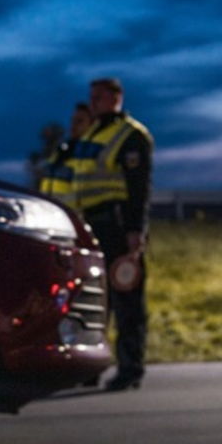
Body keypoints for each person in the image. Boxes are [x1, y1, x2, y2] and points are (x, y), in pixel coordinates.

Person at [71, 77, 153, 391]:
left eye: (99, 97)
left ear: (116, 98)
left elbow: (139, 188)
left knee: (126, 299)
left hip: (118, 225)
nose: (93, 102)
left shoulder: (130, 135)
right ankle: (90, 367)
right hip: (91, 226)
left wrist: (136, 231)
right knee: (94, 299)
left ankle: (131, 368)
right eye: (91, 96)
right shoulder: (93, 133)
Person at [39, 102, 92, 209]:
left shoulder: (92, 154)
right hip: (51, 217)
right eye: (72, 121)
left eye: (79, 121)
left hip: (75, 219)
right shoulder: (61, 152)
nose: (73, 126)